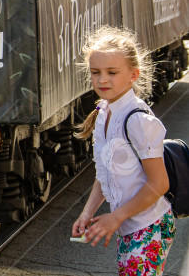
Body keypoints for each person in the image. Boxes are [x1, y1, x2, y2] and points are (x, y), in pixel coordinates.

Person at [72, 26, 174, 275]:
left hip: (149, 226)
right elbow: (104, 174)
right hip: (129, 226)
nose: (102, 79)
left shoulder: (138, 120)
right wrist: (87, 213)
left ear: (133, 75)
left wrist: (116, 217)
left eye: (112, 72)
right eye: (96, 72)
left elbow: (159, 183)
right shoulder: (103, 112)